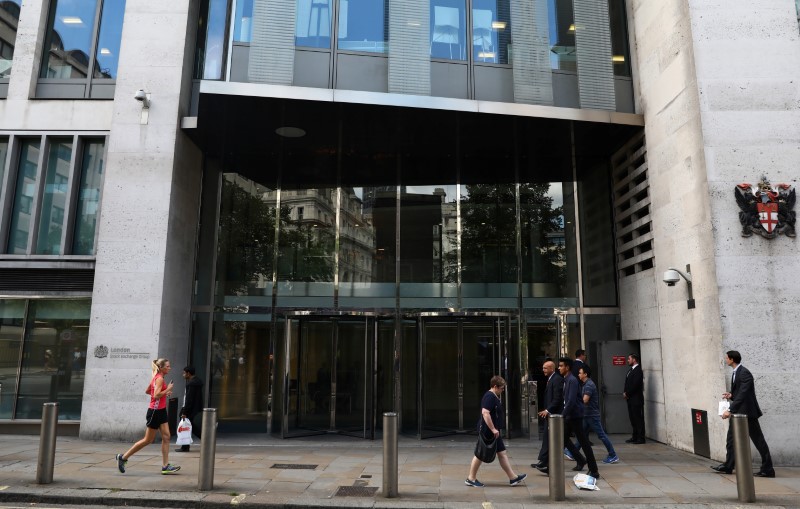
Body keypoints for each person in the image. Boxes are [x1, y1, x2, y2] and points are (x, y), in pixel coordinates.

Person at [711, 350, 774, 477]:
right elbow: (740, 393)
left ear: (732, 359)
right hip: (738, 413)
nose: (725, 360)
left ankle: (768, 469)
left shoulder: (744, 373)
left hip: (747, 413)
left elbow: (744, 394)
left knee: (758, 440)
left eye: (727, 358)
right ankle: (728, 466)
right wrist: (731, 395)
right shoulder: (736, 373)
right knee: (731, 440)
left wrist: (730, 410)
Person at [116, 359, 181, 475]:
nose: (169, 368)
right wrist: (168, 389)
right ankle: (123, 457)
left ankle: (165, 466)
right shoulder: (159, 379)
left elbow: (148, 391)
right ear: (161, 367)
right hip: (155, 412)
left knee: (166, 436)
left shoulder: (156, 377)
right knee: (148, 440)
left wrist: (164, 393)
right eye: (167, 366)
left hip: (161, 411)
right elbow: (155, 395)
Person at [465, 375, 527, 487]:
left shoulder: (493, 396)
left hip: (493, 431)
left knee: (502, 453)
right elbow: (485, 413)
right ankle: (471, 478)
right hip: (488, 431)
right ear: (495, 386)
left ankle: (513, 478)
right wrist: (493, 429)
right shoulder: (490, 397)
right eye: (502, 388)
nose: (502, 390)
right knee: (480, 454)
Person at [558, 357, 600, 479]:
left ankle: (594, 470)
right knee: (563, 440)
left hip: (574, 416)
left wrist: (562, 415)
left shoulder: (572, 380)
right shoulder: (567, 380)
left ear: (567, 367)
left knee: (584, 443)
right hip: (571, 415)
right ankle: (581, 460)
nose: (559, 368)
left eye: (561, 366)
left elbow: (570, 401)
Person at [578, 365, 618, 464]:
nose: (578, 375)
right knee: (582, 434)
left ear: (585, 374)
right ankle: (572, 451)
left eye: (580, 373)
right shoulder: (585, 384)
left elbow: (585, 400)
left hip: (592, 416)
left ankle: (613, 455)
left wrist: (576, 403)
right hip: (587, 415)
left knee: (601, 435)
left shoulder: (589, 385)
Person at [531, 359, 563, 472]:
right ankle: (544, 461)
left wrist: (548, 410)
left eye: (545, 368)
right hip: (550, 414)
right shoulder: (551, 379)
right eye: (543, 368)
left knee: (550, 438)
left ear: (551, 368)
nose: (543, 370)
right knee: (548, 437)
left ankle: (544, 462)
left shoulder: (557, 379)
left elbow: (558, 398)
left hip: (554, 415)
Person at [175, 366, 203, 452]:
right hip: (194, 407)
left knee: (185, 425)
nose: (183, 375)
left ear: (188, 373)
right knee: (189, 425)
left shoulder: (191, 384)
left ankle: (185, 447)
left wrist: (184, 411)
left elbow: (189, 399)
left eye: (184, 373)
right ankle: (205, 438)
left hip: (189, 408)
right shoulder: (196, 382)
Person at [623, 353, 645, 444]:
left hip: (636, 399)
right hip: (630, 399)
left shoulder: (638, 371)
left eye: (629, 359)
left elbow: (636, 385)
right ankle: (635, 436)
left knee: (637, 419)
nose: (628, 360)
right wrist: (625, 392)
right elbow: (628, 383)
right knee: (633, 419)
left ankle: (641, 438)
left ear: (634, 360)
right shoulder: (631, 370)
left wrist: (627, 393)